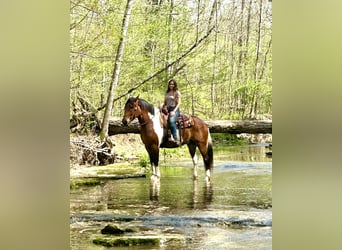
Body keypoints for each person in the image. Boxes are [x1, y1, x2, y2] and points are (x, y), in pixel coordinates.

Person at [163, 79, 181, 143]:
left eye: (173, 84)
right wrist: (162, 105)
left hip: (175, 109)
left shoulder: (177, 92)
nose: (171, 85)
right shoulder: (167, 92)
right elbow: (165, 102)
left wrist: (174, 111)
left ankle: (176, 138)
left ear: (174, 85)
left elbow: (179, 103)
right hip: (167, 109)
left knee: (171, 121)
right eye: (170, 84)